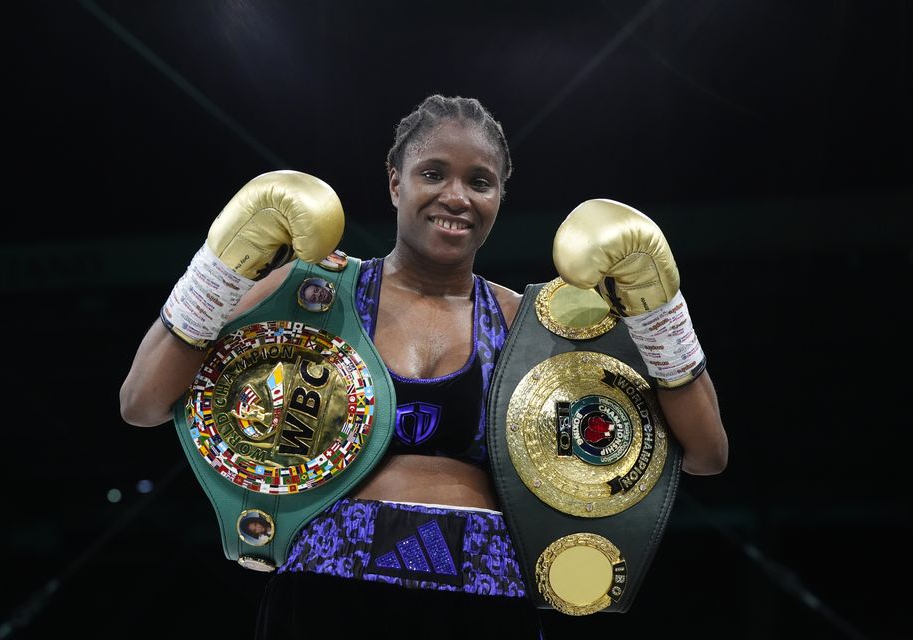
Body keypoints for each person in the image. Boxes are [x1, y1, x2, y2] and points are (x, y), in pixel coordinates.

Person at [120, 94, 728, 638]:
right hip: (329, 585)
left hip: (485, 594)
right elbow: (142, 402)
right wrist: (223, 265)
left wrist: (658, 308)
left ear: (499, 197)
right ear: (395, 183)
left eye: (480, 181)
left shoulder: (530, 327)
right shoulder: (315, 296)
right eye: (433, 174)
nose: (456, 196)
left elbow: (706, 453)